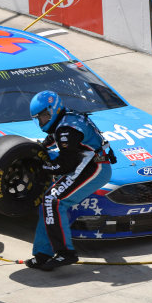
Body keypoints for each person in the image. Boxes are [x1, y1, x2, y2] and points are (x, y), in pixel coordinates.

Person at [24, 91, 113, 271]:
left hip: (95, 167)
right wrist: (37, 150)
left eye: (44, 116)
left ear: (53, 109)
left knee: (53, 201)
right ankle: (43, 253)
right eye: (38, 118)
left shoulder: (66, 130)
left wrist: (41, 167)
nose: (41, 122)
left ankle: (66, 252)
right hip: (87, 162)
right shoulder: (65, 117)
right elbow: (51, 139)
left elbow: (64, 165)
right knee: (48, 202)